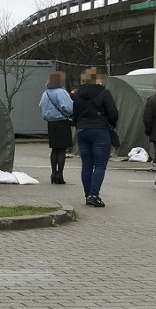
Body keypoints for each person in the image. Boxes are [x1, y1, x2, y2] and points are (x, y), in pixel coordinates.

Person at [72, 67, 118, 207]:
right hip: (100, 131)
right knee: (99, 165)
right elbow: (113, 114)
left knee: (86, 164)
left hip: (82, 131)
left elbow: (75, 115)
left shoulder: (78, 94)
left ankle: (87, 195)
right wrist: (111, 124)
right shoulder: (104, 93)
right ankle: (94, 194)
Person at [39, 71, 74, 184]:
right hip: (62, 122)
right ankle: (60, 175)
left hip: (51, 123)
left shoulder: (45, 94)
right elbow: (68, 107)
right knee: (62, 150)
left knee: (54, 149)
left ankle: (53, 173)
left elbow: (41, 107)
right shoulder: (61, 92)